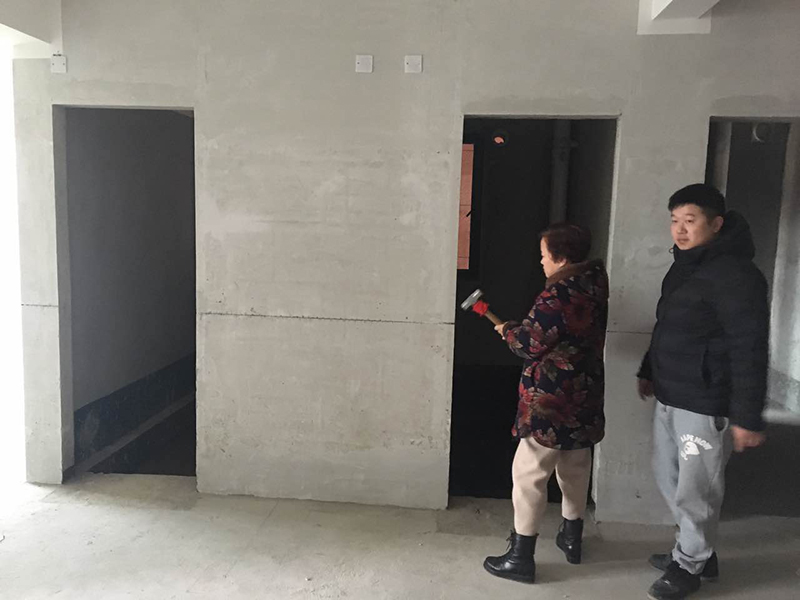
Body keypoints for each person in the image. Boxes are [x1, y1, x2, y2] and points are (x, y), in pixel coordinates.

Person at [637, 184, 768, 600]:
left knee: (698, 489)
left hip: (706, 399)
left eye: (690, 221)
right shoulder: (684, 266)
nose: (680, 229)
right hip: (671, 391)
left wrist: (747, 416)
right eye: (675, 220)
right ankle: (697, 550)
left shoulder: (737, 275)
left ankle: (690, 564)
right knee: (669, 476)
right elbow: (668, 325)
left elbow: (749, 346)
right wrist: (649, 370)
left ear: (716, 224)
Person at [483, 223, 609, 584]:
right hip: (585, 392)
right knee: (575, 464)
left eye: (543, 255)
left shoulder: (558, 294)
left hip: (553, 398)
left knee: (529, 472)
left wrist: (509, 331)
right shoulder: (594, 283)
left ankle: (520, 557)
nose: (541, 261)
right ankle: (572, 538)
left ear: (561, 257)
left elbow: (529, 344)